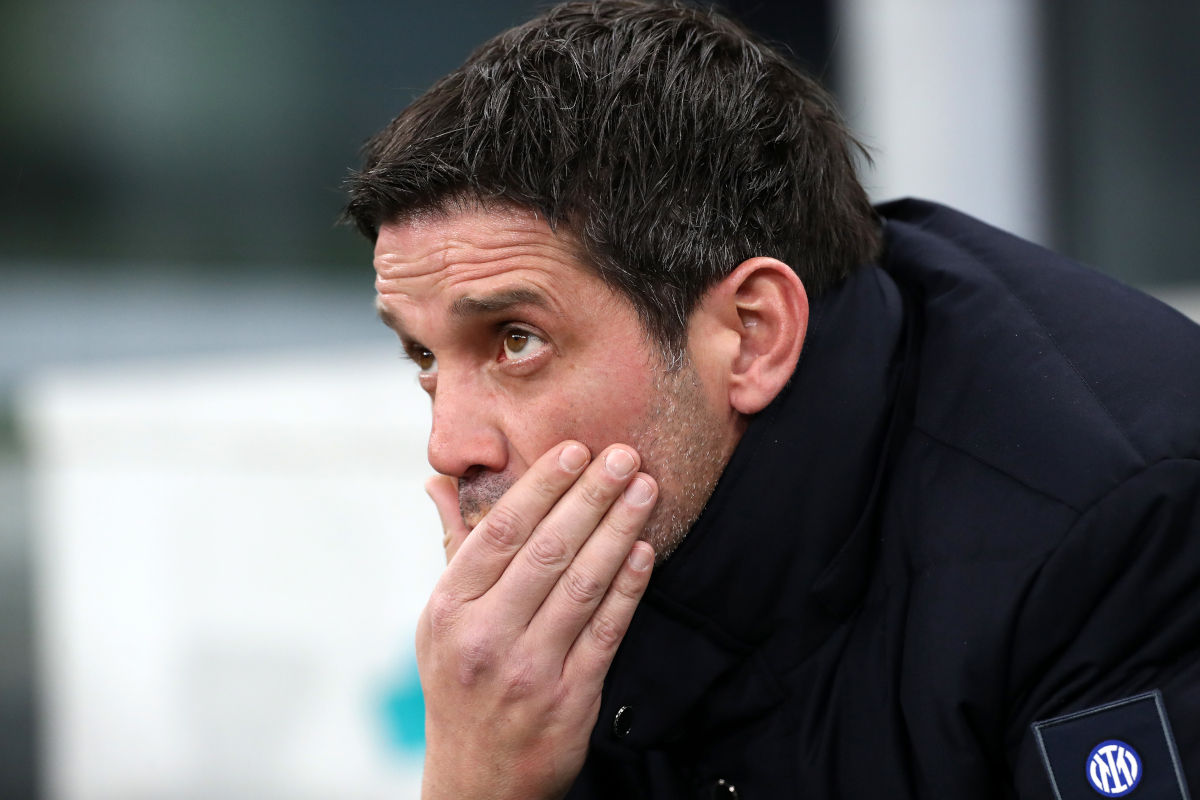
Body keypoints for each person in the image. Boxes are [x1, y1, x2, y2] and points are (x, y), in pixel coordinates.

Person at [342, 2, 1200, 798]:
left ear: (752, 335)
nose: (450, 448)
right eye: (423, 354)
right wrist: (479, 774)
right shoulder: (636, 510)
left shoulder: (1115, 520)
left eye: (515, 340)